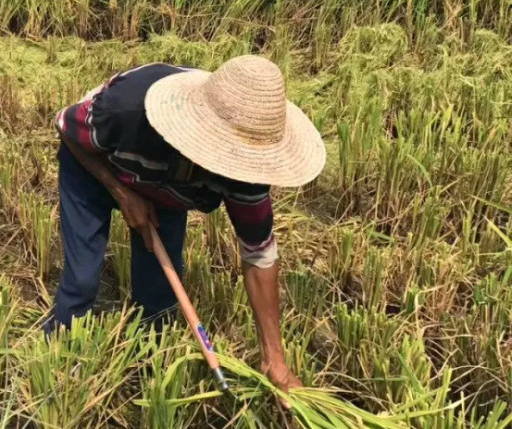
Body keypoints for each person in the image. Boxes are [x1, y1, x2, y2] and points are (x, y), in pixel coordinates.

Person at [47, 56, 326, 396]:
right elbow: (65, 126)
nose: (232, 168)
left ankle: (150, 379)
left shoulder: (245, 178)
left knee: (160, 297)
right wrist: (121, 191)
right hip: (97, 167)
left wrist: (274, 357)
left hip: (169, 187)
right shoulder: (127, 111)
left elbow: (260, 255)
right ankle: (56, 368)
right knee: (82, 279)